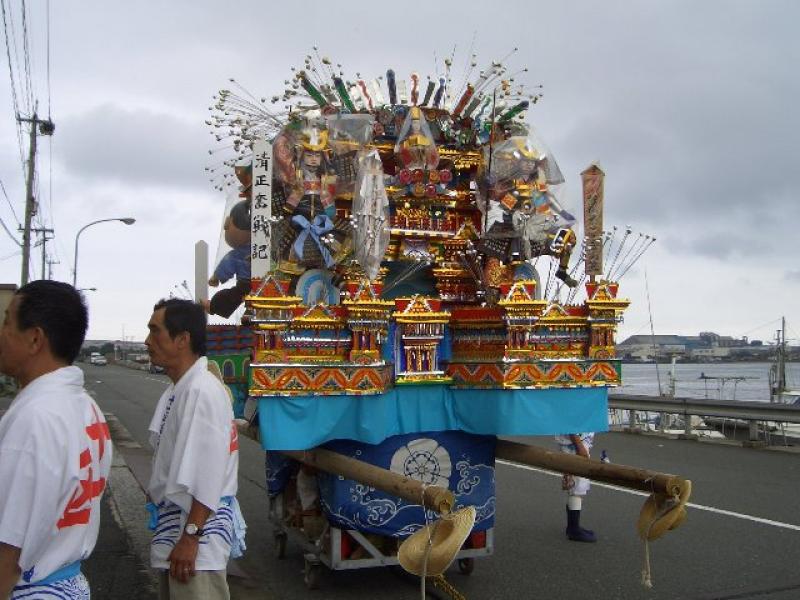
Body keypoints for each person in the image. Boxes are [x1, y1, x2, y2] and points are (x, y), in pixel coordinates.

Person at [0, 280, 112, 599]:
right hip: (66, 582)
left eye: (7, 321)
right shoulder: (88, 408)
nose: (1, 332)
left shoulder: (35, 418)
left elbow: (7, 552)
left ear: (35, 338)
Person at [145, 299, 244, 599]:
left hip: (194, 543)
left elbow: (207, 472)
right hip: (182, 533)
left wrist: (190, 538)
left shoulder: (200, 390)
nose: (148, 341)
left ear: (182, 339)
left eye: (155, 331)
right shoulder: (183, 387)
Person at [556, 432, 596, 542]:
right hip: (574, 445)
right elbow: (571, 425)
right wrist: (579, 447)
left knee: (577, 485)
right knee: (577, 486)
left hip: (576, 444)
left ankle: (573, 526)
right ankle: (573, 529)